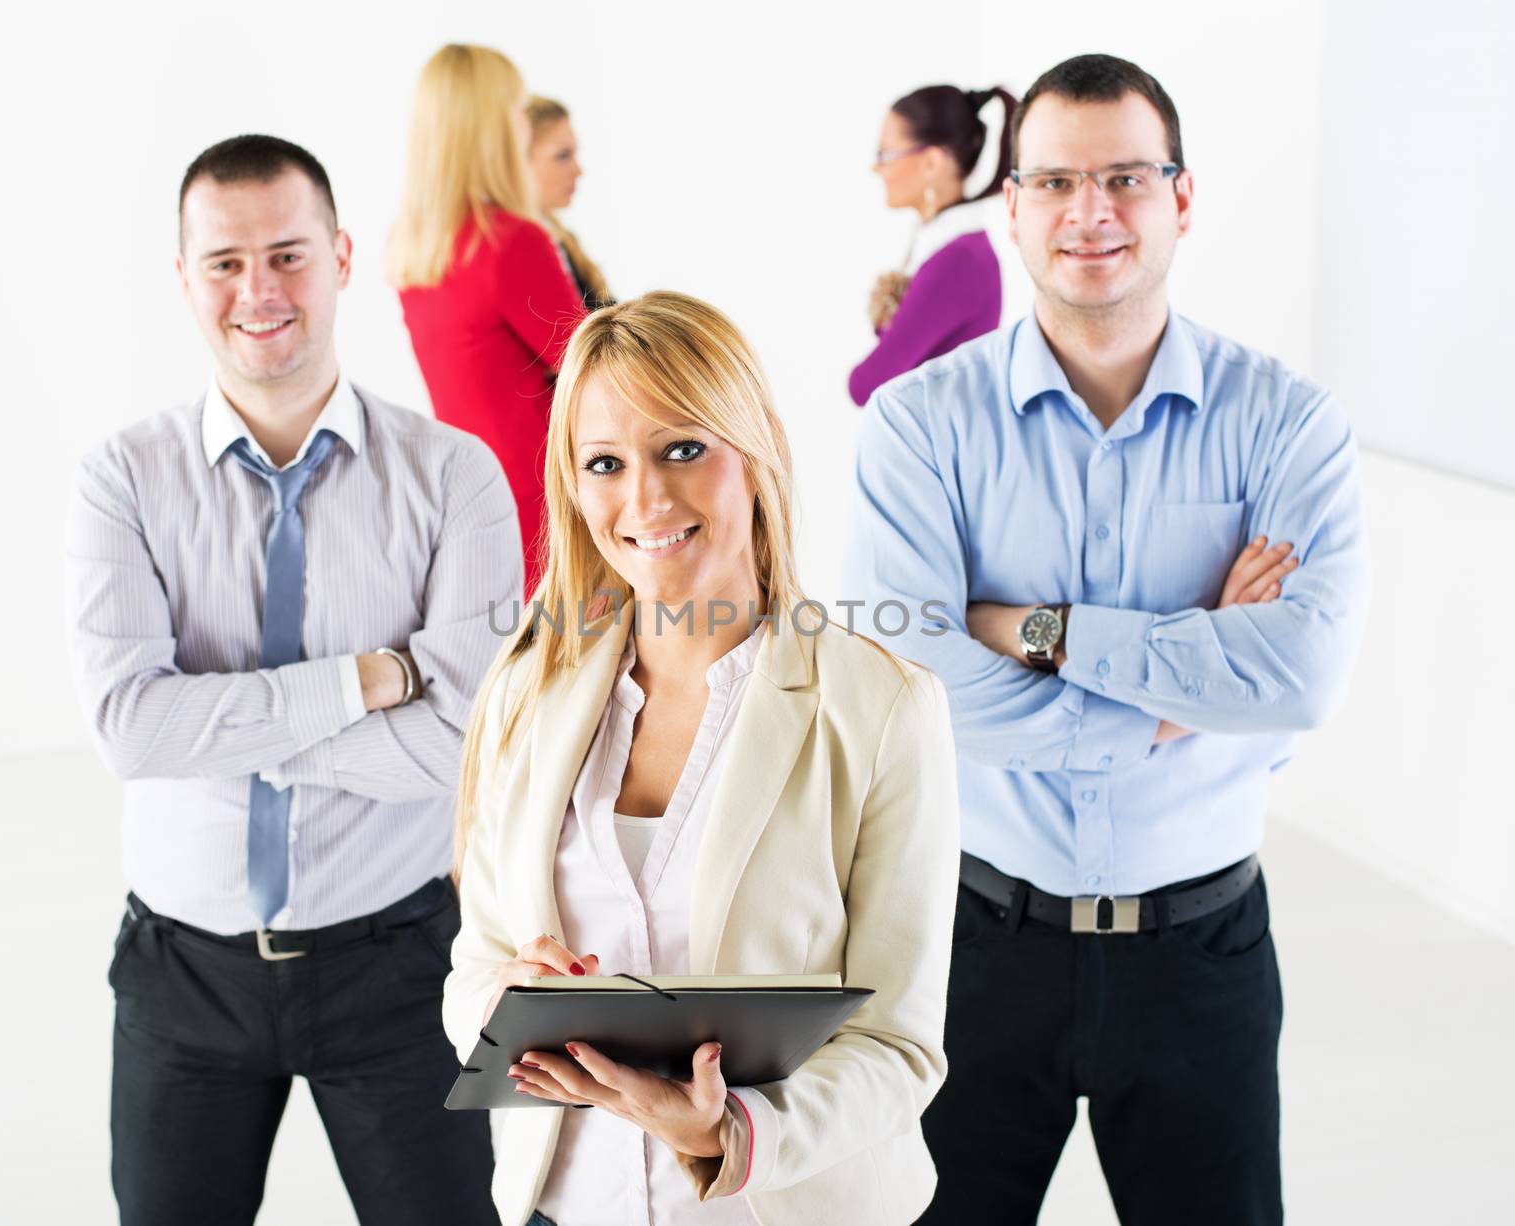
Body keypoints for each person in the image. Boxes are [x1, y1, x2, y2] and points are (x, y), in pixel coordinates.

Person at [843, 54, 1370, 1225]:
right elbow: (917, 688)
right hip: (973, 946)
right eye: (1056, 182)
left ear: (1181, 198)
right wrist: (1188, 677)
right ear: (1013, 206)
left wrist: (1024, 629)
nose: (1091, 213)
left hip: (1201, 952)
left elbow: (1301, 673)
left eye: (1126, 178)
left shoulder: (1287, 424)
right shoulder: (919, 429)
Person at [68, 134, 520, 1225]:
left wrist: (213, 723)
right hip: (185, 977)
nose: (257, 290)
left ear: (343, 256)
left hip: (399, 962)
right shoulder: (122, 478)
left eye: (287, 253)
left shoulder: (456, 476)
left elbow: (463, 743)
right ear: (183, 279)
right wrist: (366, 679)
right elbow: (130, 728)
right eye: (223, 261)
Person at [441, 291, 961, 1226]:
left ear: (754, 452)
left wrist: (728, 1133)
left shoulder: (883, 709)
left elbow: (899, 1046)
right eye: (605, 464)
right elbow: (474, 965)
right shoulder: (528, 695)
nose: (644, 500)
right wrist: (504, 1006)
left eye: (683, 448)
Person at [391, 44, 586, 593]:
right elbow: (592, 367)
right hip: (543, 501)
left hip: (468, 498)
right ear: (494, 126)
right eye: (517, 107)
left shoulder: (416, 250)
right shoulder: (510, 242)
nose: (525, 120)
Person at [849, 84, 1017, 407]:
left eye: (885, 153)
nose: (876, 167)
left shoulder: (960, 261)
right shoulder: (948, 248)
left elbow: (867, 383)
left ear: (931, 163)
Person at [528, 95, 613, 310]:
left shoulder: (564, 240)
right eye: (563, 156)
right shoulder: (515, 251)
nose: (578, 171)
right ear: (516, 161)